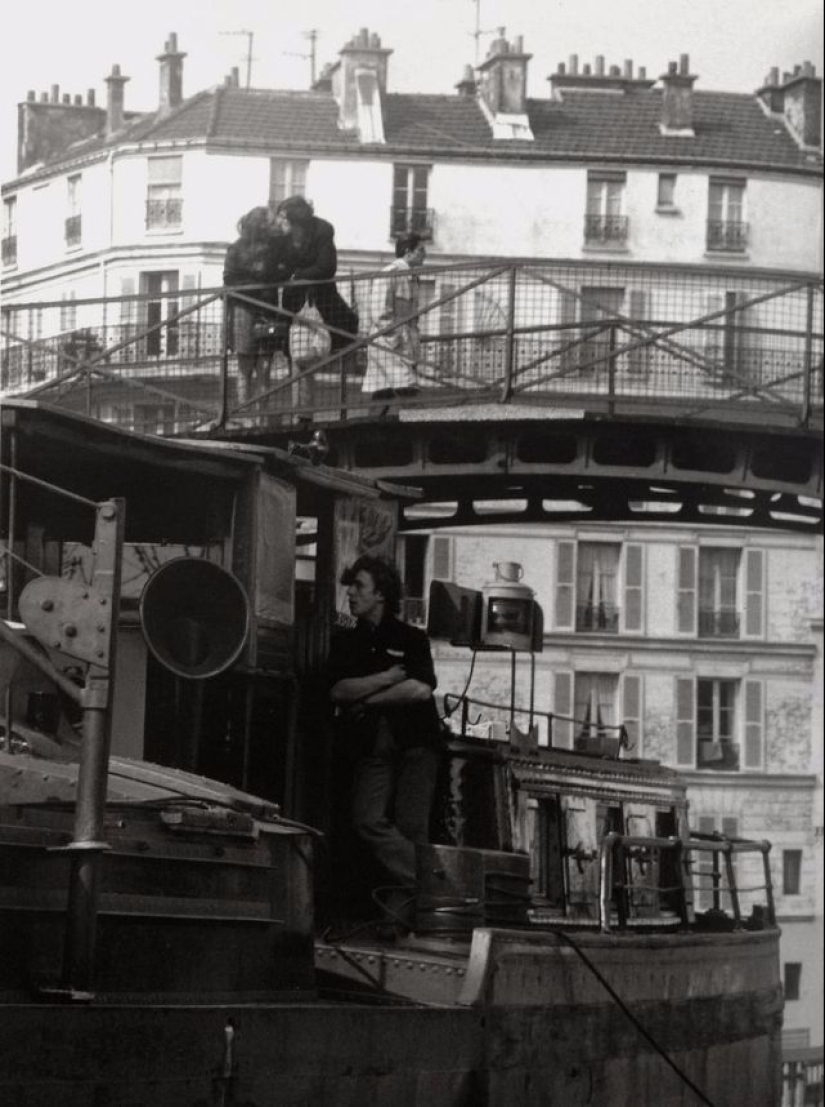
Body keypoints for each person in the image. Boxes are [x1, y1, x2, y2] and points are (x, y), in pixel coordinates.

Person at [328, 555, 443, 935]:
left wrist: (370, 698)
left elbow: (421, 688)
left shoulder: (412, 638)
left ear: (380, 594)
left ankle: (402, 922)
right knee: (367, 819)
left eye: (358, 586)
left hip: (416, 744)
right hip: (373, 746)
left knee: (411, 828)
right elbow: (339, 690)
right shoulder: (347, 642)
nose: (350, 594)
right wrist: (387, 678)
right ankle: (437, 887)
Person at [273, 195, 359, 356]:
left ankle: (339, 373)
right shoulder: (279, 237)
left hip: (322, 295)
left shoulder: (322, 229)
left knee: (343, 331)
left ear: (295, 218)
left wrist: (296, 275)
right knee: (291, 344)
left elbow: (327, 267)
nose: (278, 221)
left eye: (282, 217)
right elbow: (277, 268)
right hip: (294, 297)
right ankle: (295, 377)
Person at [223, 206, 291, 407]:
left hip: (257, 308)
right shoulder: (237, 249)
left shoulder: (272, 247)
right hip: (249, 308)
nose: (274, 225)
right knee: (251, 367)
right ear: (261, 225)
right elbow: (229, 280)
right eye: (270, 222)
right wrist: (260, 284)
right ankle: (251, 414)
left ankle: (255, 414)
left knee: (260, 366)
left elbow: (230, 279)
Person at [362, 233, 427, 401]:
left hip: (402, 343)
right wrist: (395, 339)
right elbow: (379, 311)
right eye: (420, 250)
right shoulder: (390, 274)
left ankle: (377, 425)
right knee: (406, 388)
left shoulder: (412, 277)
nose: (424, 254)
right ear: (408, 251)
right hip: (387, 343)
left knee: (385, 395)